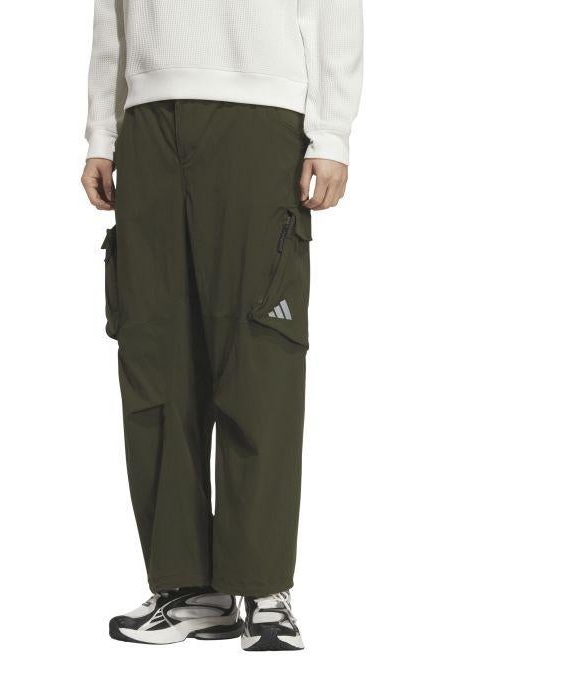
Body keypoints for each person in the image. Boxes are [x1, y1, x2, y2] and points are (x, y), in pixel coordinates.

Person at [81, 0, 363, 652]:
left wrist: (331, 132)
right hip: (148, 117)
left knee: (257, 353)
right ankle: (187, 589)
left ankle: (263, 588)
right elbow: (110, 15)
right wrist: (101, 131)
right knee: (156, 353)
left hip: (260, 109)